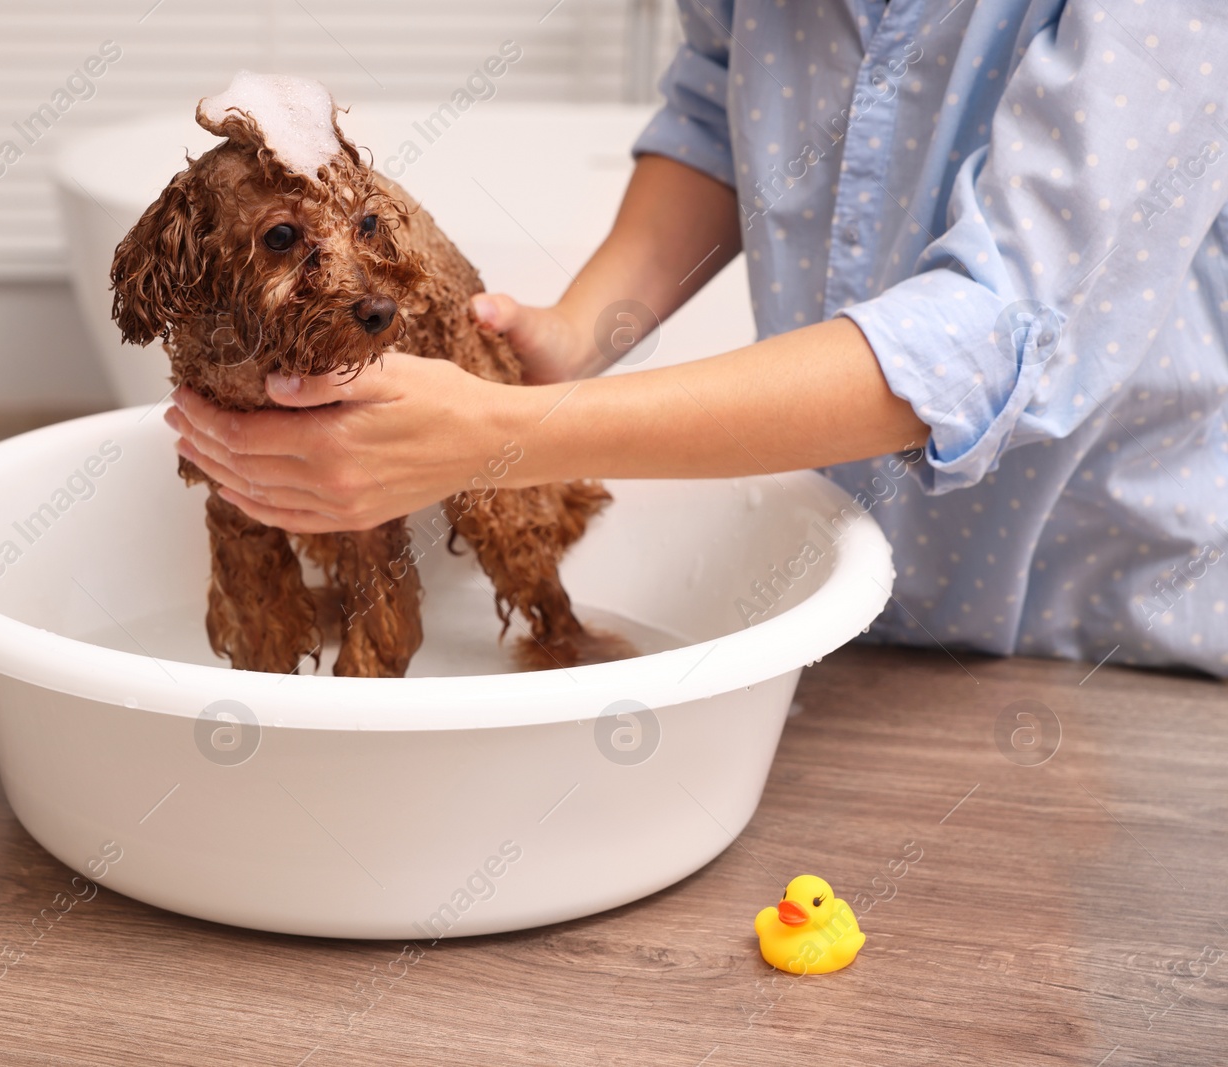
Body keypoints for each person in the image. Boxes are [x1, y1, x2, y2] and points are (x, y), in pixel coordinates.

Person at [165, 0, 1228, 677]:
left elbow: (991, 329)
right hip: (855, 601)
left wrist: (518, 430)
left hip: (1111, 627)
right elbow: (719, 114)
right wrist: (575, 336)